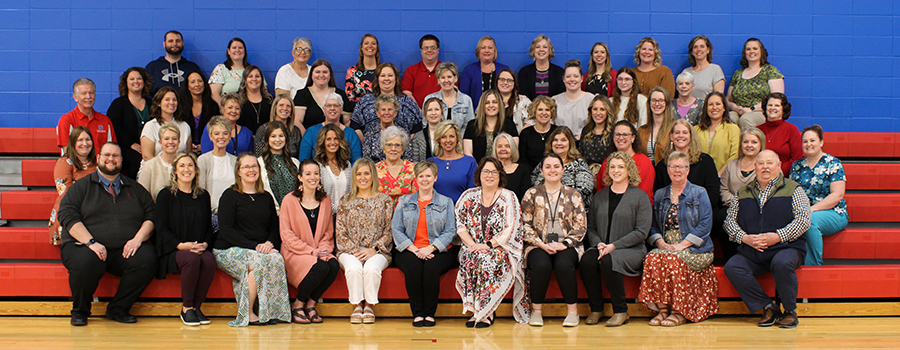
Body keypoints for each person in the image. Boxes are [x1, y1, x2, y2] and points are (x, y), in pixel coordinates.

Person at [58, 142, 157, 326]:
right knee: (85, 261)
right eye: (107, 155)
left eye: (115, 156)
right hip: (85, 246)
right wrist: (91, 242)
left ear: (121, 160)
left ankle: (118, 308)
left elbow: (151, 215)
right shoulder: (82, 186)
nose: (111, 159)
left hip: (123, 250)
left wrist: (137, 239)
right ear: (98, 158)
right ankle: (80, 311)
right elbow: (66, 214)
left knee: (147, 258)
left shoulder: (135, 188)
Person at [724, 150, 811, 329]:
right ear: (755, 167)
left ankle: (789, 311)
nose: (765, 167)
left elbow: (803, 220)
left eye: (770, 163)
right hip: (752, 250)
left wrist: (778, 237)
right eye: (761, 163)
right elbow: (729, 222)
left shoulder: (794, 189)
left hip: (786, 247)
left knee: (781, 263)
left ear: (778, 166)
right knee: (733, 267)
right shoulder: (742, 192)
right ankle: (768, 307)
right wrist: (745, 238)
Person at [638, 151, 718, 326]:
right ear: (668, 169)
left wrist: (682, 245)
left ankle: (679, 312)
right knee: (651, 258)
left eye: (681, 167)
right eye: (673, 166)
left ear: (688, 170)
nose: (677, 170)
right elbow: (653, 225)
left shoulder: (699, 193)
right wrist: (660, 243)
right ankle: (663, 310)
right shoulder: (660, 194)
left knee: (674, 260)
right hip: (667, 246)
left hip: (696, 248)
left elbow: (705, 225)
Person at [213, 153, 291, 326]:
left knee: (276, 259)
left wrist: (269, 243)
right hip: (228, 249)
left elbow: (274, 227)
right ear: (238, 171)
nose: (251, 170)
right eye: (246, 167)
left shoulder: (266, 197)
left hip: (259, 249)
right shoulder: (229, 196)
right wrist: (255, 246)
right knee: (258, 263)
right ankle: (247, 314)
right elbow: (226, 230)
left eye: (254, 166)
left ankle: (273, 313)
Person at [455, 157, 528, 327]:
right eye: (486, 171)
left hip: (501, 247)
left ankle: (486, 312)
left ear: (500, 175)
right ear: (479, 174)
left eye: (494, 172)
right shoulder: (468, 196)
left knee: (486, 260)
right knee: (470, 258)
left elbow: (512, 227)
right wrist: (474, 246)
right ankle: (476, 311)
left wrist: (488, 245)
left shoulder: (508, 196)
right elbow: (460, 225)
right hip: (472, 246)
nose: (490, 175)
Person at [580, 151, 650, 326]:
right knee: (587, 260)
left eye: (621, 167)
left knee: (608, 260)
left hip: (631, 250)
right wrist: (598, 243)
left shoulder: (640, 196)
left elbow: (642, 231)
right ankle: (596, 308)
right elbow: (591, 227)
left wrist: (614, 246)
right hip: (602, 247)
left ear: (629, 170)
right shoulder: (599, 196)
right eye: (612, 167)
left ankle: (621, 311)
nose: (616, 170)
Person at [391, 160, 458, 327]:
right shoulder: (404, 201)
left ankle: (429, 314)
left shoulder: (446, 202)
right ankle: (418, 313)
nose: (425, 179)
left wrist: (431, 247)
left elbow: (450, 230)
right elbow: (396, 229)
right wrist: (413, 249)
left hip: (440, 249)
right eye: (421, 176)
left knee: (431, 269)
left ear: (435, 178)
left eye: (428, 176)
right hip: (409, 249)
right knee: (413, 268)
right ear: (416, 179)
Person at [522, 153, 586, 327]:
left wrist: (564, 244)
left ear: (563, 169)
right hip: (537, 244)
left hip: (568, 245)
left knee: (563, 264)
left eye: (556, 166)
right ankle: (536, 311)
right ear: (542, 171)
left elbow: (581, 226)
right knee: (541, 264)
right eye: (548, 167)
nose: (552, 170)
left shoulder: (573, 194)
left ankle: (572, 312)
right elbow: (524, 225)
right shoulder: (531, 194)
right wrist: (541, 244)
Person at [154, 152, 215, 326]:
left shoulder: (203, 195)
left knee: (209, 260)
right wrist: (181, 245)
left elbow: (208, 228)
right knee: (191, 259)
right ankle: (186, 308)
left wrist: (205, 244)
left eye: (190, 165)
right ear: (175, 171)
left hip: (197, 247)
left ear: (196, 170)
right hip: (173, 249)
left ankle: (196, 307)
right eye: (181, 166)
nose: (186, 169)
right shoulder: (165, 195)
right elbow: (161, 229)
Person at [280, 159, 340, 324]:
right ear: (300, 177)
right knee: (321, 267)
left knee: (333, 265)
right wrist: (310, 251)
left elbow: (328, 232)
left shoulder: (325, 200)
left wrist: (323, 249)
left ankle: (311, 303)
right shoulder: (289, 200)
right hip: (295, 252)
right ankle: (298, 304)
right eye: (308, 174)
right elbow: (286, 234)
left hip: (319, 250)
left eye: (316, 174)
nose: (312, 177)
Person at [335, 158, 394, 324]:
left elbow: (389, 231)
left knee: (371, 268)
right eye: (359, 174)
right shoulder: (346, 200)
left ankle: (369, 305)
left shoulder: (385, 200)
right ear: (354, 177)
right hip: (349, 250)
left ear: (373, 176)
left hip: (378, 251)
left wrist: (374, 249)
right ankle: (357, 305)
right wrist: (355, 251)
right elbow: (340, 231)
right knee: (353, 268)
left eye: (366, 173)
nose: (363, 178)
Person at [790, 125, 848, 266]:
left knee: (810, 221)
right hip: (804, 212)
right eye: (805, 141)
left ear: (821, 142)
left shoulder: (833, 163)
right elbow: (791, 193)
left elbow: (837, 195)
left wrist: (811, 210)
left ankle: (814, 267)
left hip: (834, 212)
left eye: (812, 140)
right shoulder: (796, 166)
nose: (808, 144)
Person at [351, 63, 425, 161]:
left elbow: (418, 127)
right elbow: (355, 124)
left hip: (401, 155)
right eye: (383, 75)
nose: (386, 79)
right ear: (377, 79)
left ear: (396, 79)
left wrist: (405, 142)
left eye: (390, 75)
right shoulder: (365, 101)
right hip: (373, 152)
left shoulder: (408, 102)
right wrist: (366, 141)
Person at [718, 128, 766, 259]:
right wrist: (737, 203)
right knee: (721, 216)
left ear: (761, 144)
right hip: (731, 207)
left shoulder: (766, 166)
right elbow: (723, 189)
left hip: (757, 208)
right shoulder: (731, 165)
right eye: (746, 142)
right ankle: (730, 258)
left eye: (754, 142)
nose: (749, 145)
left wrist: (746, 204)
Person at [653, 119, 721, 210]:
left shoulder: (705, 161)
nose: (681, 136)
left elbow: (713, 194)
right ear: (671, 137)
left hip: (700, 212)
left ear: (691, 136)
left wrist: (689, 210)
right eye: (677, 132)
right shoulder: (663, 165)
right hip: (670, 212)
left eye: (685, 132)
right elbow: (659, 195)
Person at [49, 127, 97, 245]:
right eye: (80, 140)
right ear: (73, 142)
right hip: (70, 213)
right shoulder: (64, 163)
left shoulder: (97, 163)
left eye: (88, 139)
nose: (85, 143)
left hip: (94, 212)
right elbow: (66, 195)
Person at [726, 38, 785, 130]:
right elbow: (728, 99)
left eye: (755, 48)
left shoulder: (770, 71)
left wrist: (752, 109)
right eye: (748, 49)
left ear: (761, 51)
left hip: (761, 111)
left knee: (745, 120)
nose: (751, 51)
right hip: (739, 111)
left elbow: (777, 98)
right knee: (728, 119)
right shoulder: (738, 73)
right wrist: (735, 107)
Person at [531, 126, 595, 208]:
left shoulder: (579, 164)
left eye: (563, 140)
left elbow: (584, 190)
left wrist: (558, 203)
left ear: (570, 143)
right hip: (544, 209)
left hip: (573, 209)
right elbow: (534, 184)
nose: (559, 143)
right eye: (555, 140)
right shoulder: (544, 163)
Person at [108, 67, 153, 178]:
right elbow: (115, 127)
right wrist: (131, 144)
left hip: (149, 146)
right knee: (135, 160)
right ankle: (131, 187)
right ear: (126, 83)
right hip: (126, 146)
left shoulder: (152, 103)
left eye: (139, 78)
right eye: (132, 79)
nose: (136, 81)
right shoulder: (118, 104)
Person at [597, 120, 656, 204]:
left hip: (635, 207)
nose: (621, 138)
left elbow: (644, 193)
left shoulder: (643, 161)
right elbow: (601, 192)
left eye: (625, 135)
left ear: (633, 138)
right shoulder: (607, 162)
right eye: (617, 134)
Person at [296, 92, 362, 163]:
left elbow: (357, 161)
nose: (332, 108)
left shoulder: (351, 134)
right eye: (329, 105)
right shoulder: (311, 132)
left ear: (341, 109)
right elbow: (304, 160)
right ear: (323, 109)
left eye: (336, 106)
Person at [294, 59, 354, 134]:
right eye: (317, 72)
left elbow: (347, 121)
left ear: (330, 75)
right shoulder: (302, 94)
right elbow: (297, 121)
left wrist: (340, 137)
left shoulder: (340, 94)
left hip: (337, 138)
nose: (321, 75)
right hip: (311, 138)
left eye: (325, 72)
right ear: (311, 74)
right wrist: (308, 138)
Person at [197, 116, 236, 229]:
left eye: (225, 133)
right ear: (210, 136)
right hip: (210, 215)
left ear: (230, 136)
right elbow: (200, 192)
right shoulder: (203, 160)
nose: (221, 137)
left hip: (233, 215)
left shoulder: (236, 161)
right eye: (217, 133)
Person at [57, 78, 116, 151]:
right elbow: (67, 152)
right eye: (83, 93)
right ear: (75, 98)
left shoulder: (105, 120)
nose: (88, 96)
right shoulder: (67, 120)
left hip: (100, 159)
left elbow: (112, 149)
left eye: (91, 93)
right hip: (76, 159)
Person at [428, 121, 477, 203]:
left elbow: (472, 194)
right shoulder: (430, 162)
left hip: (461, 209)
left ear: (457, 139)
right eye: (444, 137)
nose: (448, 140)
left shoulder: (469, 162)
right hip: (434, 209)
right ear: (439, 140)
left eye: (452, 136)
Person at [464, 89, 519, 161]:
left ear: (499, 105)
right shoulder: (472, 125)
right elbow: (468, 154)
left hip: (504, 166)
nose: (491, 105)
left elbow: (513, 151)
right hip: (477, 167)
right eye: (487, 103)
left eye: (494, 102)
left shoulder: (509, 125)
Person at [757, 92, 803, 176]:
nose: (772, 108)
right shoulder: (757, 130)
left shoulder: (791, 129)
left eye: (777, 105)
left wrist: (777, 172)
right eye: (770, 105)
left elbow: (797, 158)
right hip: (760, 175)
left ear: (783, 109)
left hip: (783, 176)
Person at [694, 91, 741, 173]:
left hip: (724, 176)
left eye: (718, 104)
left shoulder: (733, 129)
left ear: (724, 108)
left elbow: (735, 155)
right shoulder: (696, 130)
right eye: (710, 104)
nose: (714, 107)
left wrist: (718, 175)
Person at [140, 87, 191, 162]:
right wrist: (164, 167)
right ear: (159, 103)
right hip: (154, 167)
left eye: (174, 100)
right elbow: (147, 156)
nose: (171, 102)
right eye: (167, 99)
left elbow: (188, 154)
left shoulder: (185, 126)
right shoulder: (150, 126)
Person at [257, 121, 300, 209]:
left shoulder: (295, 163)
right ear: (267, 139)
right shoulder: (259, 163)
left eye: (281, 136)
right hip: (270, 212)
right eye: (273, 136)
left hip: (294, 211)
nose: (277, 140)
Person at [424, 62, 476, 135]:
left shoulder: (466, 100)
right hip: (435, 141)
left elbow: (470, 127)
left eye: (449, 77)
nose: (446, 80)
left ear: (455, 78)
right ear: (438, 80)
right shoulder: (429, 99)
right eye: (443, 77)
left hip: (461, 141)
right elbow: (425, 125)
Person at [145, 30, 201, 95]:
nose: (174, 44)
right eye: (170, 41)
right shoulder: (153, 67)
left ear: (183, 43)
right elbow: (146, 93)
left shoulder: (192, 67)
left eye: (178, 41)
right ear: (164, 44)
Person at [460, 36, 510, 105]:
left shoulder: (503, 70)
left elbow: (509, 93)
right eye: (483, 48)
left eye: (490, 48)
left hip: (500, 110)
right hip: (475, 110)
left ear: (494, 51)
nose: (487, 50)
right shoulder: (468, 70)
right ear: (478, 51)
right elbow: (464, 96)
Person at [376, 126, 418, 207]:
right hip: (381, 212)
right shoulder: (375, 169)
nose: (393, 149)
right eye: (389, 145)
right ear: (384, 148)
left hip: (407, 212)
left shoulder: (413, 169)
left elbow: (417, 197)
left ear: (402, 149)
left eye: (397, 145)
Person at [138, 124, 181, 201]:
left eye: (174, 139)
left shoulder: (185, 165)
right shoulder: (149, 166)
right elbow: (142, 196)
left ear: (179, 142)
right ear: (160, 142)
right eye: (166, 139)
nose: (170, 142)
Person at [315, 124, 353, 212]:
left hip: (346, 214)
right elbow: (319, 195)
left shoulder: (347, 164)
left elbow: (351, 192)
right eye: (328, 139)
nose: (333, 142)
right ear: (323, 142)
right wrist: (339, 210)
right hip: (326, 214)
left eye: (336, 138)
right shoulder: (318, 166)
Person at [179, 71, 219, 154]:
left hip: (208, 150)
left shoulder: (213, 106)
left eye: (200, 81)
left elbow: (217, 129)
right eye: (192, 82)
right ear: (187, 86)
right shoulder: (180, 106)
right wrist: (189, 145)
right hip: (184, 150)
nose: (197, 84)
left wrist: (205, 144)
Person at [552, 60, 594, 138]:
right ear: (564, 79)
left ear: (582, 78)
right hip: (560, 142)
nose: (572, 79)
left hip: (585, 141)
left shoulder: (591, 99)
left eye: (576, 76)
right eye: (568, 76)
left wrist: (581, 137)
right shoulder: (554, 100)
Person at [518, 34, 565, 100]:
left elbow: (561, 96)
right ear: (533, 50)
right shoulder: (524, 72)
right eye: (537, 47)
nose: (541, 49)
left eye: (545, 47)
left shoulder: (559, 72)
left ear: (550, 50)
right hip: (531, 106)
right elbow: (524, 97)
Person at [518, 96, 559, 168]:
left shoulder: (557, 132)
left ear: (551, 112)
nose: (544, 113)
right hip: (530, 172)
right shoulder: (525, 133)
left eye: (547, 110)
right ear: (534, 112)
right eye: (540, 110)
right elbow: (523, 160)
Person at [637, 86, 676, 163]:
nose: (657, 104)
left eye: (661, 101)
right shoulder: (641, 130)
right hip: (645, 169)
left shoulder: (674, 129)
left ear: (667, 103)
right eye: (654, 100)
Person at [402, 34, 442, 106]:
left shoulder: (446, 70)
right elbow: (407, 93)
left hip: (442, 112)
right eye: (426, 48)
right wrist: (418, 110)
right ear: (421, 50)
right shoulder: (411, 70)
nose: (429, 50)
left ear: (438, 50)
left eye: (432, 47)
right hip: (417, 112)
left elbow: (453, 92)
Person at [681, 35, 725, 100]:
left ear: (708, 50)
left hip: (707, 106)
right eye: (695, 47)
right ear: (692, 51)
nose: (698, 49)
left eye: (702, 46)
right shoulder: (686, 72)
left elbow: (718, 98)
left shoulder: (715, 70)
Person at [209, 37, 249, 104]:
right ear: (228, 51)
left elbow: (263, 91)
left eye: (240, 48)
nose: (237, 50)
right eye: (234, 48)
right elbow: (213, 93)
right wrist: (223, 108)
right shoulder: (221, 69)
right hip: (227, 109)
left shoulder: (252, 70)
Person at [578, 95, 615, 167]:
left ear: (608, 111)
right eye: (595, 109)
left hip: (607, 170)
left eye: (602, 109)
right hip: (586, 170)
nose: (598, 113)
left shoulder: (614, 131)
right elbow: (580, 155)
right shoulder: (586, 129)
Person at [493, 132, 531, 201]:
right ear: (495, 150)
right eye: (500, 146)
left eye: (507, 146)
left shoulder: (523, 170)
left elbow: (525, 198)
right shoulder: (489, 169)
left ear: (513, 149)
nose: (503, 149)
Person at [345, 34, 381, 104]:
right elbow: (350, 97)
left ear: (377, 48)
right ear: (361, 48)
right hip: (359, 108)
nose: (370, 46)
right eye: (366, 43)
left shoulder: (384, 70)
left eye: (373, 43)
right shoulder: (352, 71)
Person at [237, 65, 273, 132]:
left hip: (266, 137)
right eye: (250, 76)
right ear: (245, 80)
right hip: (244, 137)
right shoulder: (237, 99)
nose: (254, 79)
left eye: (257, 76)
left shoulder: (270, 100)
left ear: (262, 80)